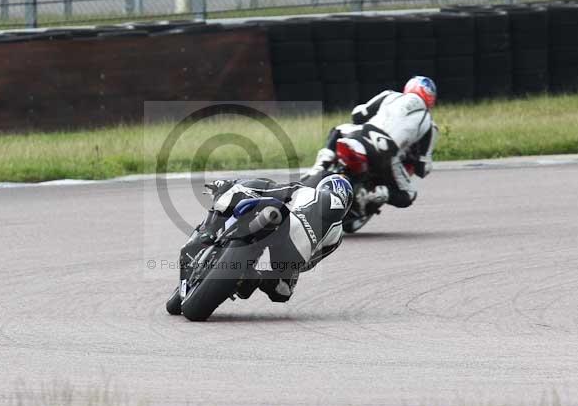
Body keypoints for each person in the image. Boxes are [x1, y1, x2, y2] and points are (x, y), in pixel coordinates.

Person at [177, 174, 353, 305]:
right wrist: (289, 266)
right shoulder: (337, 236)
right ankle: (252, 278)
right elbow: (310, 263)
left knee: (245, 187)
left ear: (323, 186)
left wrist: (233, 187)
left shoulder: (306, 191)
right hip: (293, 254)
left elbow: (273, 189)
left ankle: (209, 229)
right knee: (282, 293)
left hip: (281, 221)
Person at [310, 76, 439, 212]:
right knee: (408, 195)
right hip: (387, 155)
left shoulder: (389, 95)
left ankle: (320, 165)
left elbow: (358, 114)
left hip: (362, 135)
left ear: (408, 88)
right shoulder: (430, 125)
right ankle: (373, 194)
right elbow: (424, 166)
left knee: (338, 129)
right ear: (431, 98)